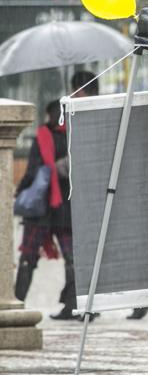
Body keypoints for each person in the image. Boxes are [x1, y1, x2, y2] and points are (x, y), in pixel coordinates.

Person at [14, 100, 77, 320]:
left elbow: (32, 172)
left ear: (49, 115)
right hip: (66, 209)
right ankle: (73, 306)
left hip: (40, 211)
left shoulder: (42, 136)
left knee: (28, 259)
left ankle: (15, 305)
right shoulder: (75, 137)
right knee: (72, 259)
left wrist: (20, 191)